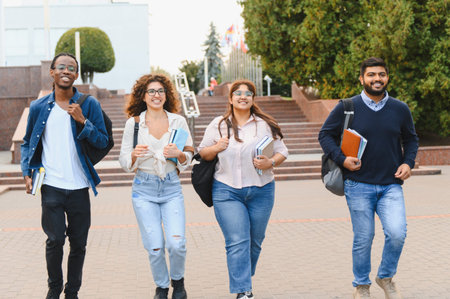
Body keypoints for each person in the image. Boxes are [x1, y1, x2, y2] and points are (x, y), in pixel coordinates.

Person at [318, 57, 419, 299]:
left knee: (397, 233)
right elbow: (325, 135)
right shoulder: (347, 106)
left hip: (391, 185)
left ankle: (385, 277)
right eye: (371, 75)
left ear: (387, 77)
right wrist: (342, 159)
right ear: (362, 78)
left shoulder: (400, 108)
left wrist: (408, 162)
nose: (377, 79)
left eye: (381, 74)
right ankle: (362, 285)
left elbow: (411, 139)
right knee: (364, 238)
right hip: (358, 184)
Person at [21, 52, 109, 299]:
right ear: (52, 72)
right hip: (51, 185)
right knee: (55, 240)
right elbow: (28, 142)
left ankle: (72, 292)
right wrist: (27, 172)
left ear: (76, 75)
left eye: (71, 67)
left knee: (78, 244)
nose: (66, 70)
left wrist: (83, 121)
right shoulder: (39, 107)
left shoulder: (88, 104)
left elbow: (103, 141)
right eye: (61, 66)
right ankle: (53, 288)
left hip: (80, 186)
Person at [198, 79, 288, 299]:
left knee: (255, 241)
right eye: (237, 93)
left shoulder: (264, 124)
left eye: (248, 93)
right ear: (230, 99)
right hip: (227, 191)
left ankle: (244, 277)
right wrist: (216, 147)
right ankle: (244, 291)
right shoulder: (219, 124)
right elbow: (202, 153)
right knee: (238, 241)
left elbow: (282, 151)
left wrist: (271, 163)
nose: (243, 96)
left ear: (253, 99)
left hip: (262, 190)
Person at [119, 74, 193, 299]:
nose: (156, 95)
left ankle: (178, 282)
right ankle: (162, 286)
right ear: (143, 96)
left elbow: (189, 153)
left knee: (176, 243)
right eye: (151, 91)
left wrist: (179, 154)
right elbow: (123, 161)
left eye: (160, 91)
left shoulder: (177, 121)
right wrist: (133, 154)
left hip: (171, 187)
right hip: (144, 188)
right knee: (155, 246)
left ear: (166, 94)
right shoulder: (134, 124)